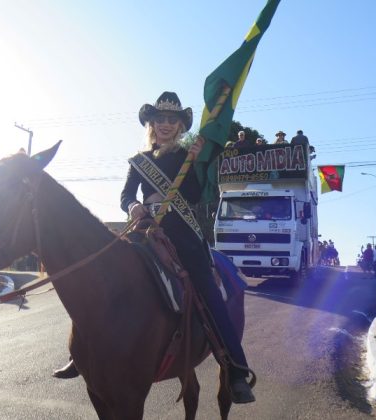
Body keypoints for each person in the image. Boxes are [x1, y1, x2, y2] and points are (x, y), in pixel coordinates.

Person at [56, 92, 256, 404]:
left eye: (172, 120)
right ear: (151, 124)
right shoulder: (140, 161)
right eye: (160, 119)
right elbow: (125, 195)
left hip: (182, 232)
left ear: (180, 126)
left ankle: (235, 369)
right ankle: (81, 352)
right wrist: (133, 205)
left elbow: (193, 195)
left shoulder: (187, 155)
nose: (165, 124)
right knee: (104, 276)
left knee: (208, 289)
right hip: (145, 228)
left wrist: (196, 161)